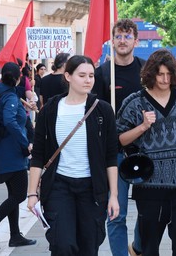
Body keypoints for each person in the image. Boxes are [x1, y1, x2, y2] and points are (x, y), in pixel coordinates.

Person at [27, 55, 119, 255]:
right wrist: (32, 193)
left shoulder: (103, 110)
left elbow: (111, 156)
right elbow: (38, 155)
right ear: (67, 76)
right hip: (59, 186)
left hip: (92, 189)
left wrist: (114, 195)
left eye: (91, 76)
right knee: (62, 245)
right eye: (82, 75)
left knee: (88, 247)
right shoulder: (50, 109)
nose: (88, 80)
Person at [117, 49, 176, 256]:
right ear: (151, 73)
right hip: (149, 184)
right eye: (160, 74)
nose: (164, 79)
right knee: (149, 245)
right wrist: (143, 126)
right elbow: (119, 139)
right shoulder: (135, 102)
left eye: (169, 74)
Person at [93, 19, 146, 256]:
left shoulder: (147, 72)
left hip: (145, 150)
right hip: (113, 154)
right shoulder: (102, 73)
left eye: (127, 36)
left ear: (136, 40)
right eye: (118, 36)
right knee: (116, 213)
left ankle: (137, 247)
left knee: (150, 213)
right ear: (112, 40)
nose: (122, 40)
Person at [0, 62, 36, 250]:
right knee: (19, 195)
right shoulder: (9, 96)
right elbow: (10, 121)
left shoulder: (3, 93)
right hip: (12, 152)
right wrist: (25, 142)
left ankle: (15, 235)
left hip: (5, 151)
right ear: (18, 78)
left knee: (13, 194)